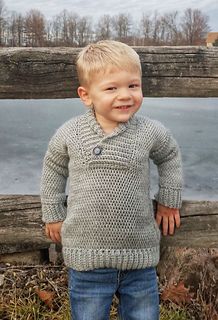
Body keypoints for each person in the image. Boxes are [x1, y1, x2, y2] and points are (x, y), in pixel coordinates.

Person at [40, 40, 183, 320]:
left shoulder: (149, 131)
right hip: (86, 260)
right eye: (111, 88)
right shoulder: (71, 133)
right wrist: (53, 213)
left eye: (133, 85)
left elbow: (169, 156)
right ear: (86, 95)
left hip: (140, 258)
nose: (125, 95)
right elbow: (53, 168)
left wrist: (168, 200)